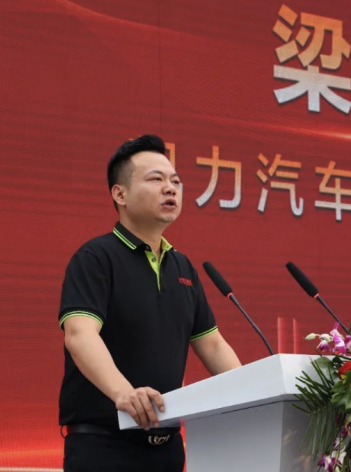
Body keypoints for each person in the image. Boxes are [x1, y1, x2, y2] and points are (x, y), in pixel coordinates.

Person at [58, 134, 242, 471]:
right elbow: (80, 335)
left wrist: (253, 393)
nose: (170, 188)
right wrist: (123, 393)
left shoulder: (182, 267)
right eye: (156, 180)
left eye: (175, 181)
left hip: (166, 449)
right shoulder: (96, 258)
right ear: (120, 194)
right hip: (103, 447)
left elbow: (212, 345)